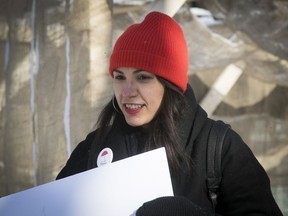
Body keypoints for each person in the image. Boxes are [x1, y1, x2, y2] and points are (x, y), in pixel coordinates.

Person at [56, 11, 283, 215]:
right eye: (119, 77)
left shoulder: (220, 149)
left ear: (171, 85)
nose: (127, 92)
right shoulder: (92, 149)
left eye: (143, 77)